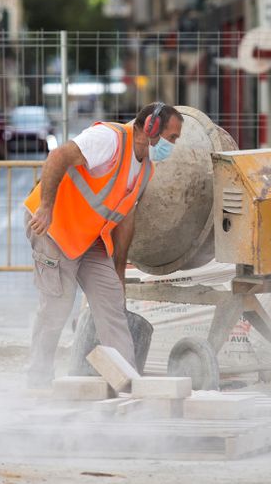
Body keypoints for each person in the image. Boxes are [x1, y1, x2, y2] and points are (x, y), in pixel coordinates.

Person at [23, 102, 184, 387]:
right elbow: (58, 156)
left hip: (88, 239)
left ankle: (126, 384)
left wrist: (119, 270)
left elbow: (125, 218)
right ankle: (37, 382)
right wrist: (46, 207)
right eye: (172, 137)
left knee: (112, 302)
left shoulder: (145, 169)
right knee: (56, 306)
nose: (173, 145)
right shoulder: (109, 140)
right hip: (54, 227)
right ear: (151, 128)